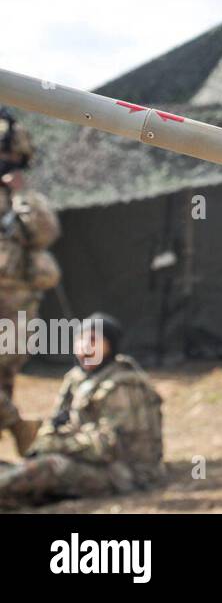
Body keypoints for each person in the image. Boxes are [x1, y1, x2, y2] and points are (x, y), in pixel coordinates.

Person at [0, 313, 164, 508]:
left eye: (94, 340)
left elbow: (110, 446)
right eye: (80, 340)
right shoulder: (78, 378)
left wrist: (57, 444)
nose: (85, 347)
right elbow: (58, 422)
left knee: (48, 467)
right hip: (86, 462)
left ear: (111, 346)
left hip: (123, 473)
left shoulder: (122, 386)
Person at [0, 109, 61, 457]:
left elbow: (44, 234)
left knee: (4, 381)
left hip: (16, 305)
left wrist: (20, 195)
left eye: (11, 158)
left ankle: (20, 432)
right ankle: (21, 428)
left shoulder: (24, 197)